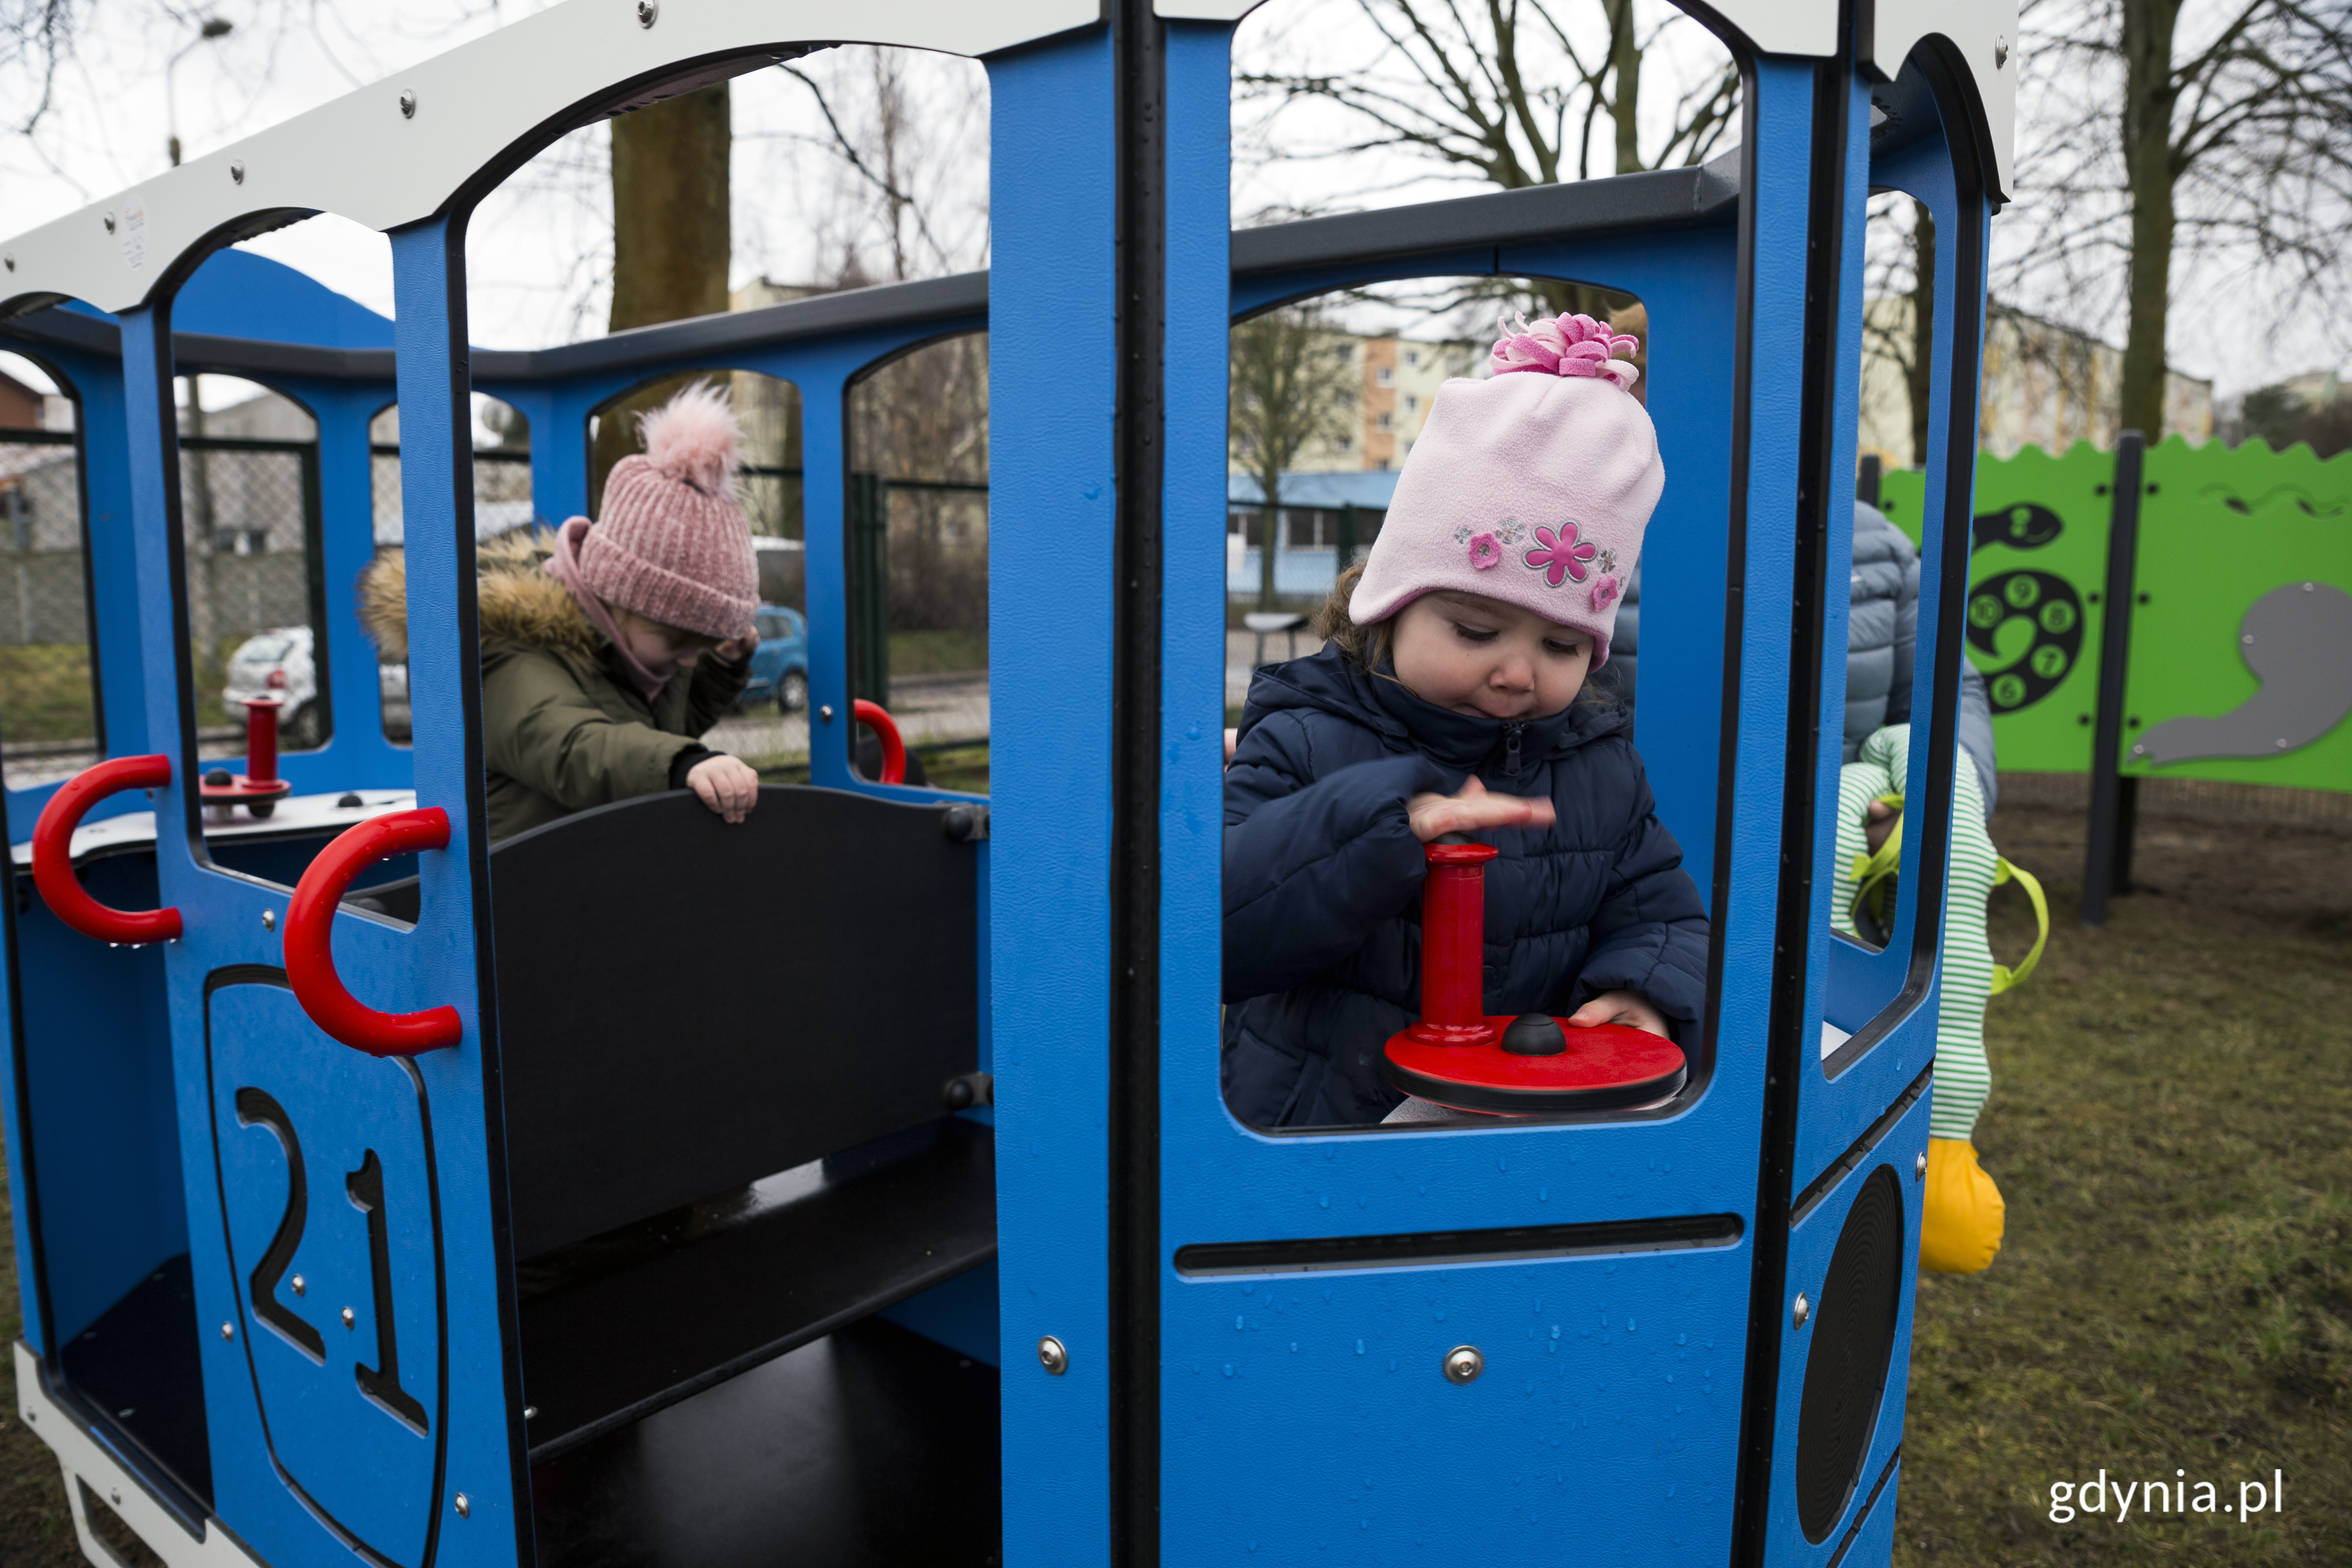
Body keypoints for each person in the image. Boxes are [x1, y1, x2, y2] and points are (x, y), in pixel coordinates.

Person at [1222, 313, 1709, 1129]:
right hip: (1313, 1140)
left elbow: (1661, 911)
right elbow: (1222, 928)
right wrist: (1374, 825)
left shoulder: (1596, 763)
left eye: (1560, 643)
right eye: (1475, 631)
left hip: (1513, 1148)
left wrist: (1640, 989)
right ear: (1390, 604)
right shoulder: (1304, 727)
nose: (1516, 671)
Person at [361, 381, 765, 842]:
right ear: (620, 595)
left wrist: (725, 665)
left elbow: (667, 726)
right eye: (680, 642)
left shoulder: (629, 649)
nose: (691, 659)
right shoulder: (505, 653)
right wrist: (683, 764)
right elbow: (574, 747)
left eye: (703, 644)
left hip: (587, 879)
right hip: (516, 897)